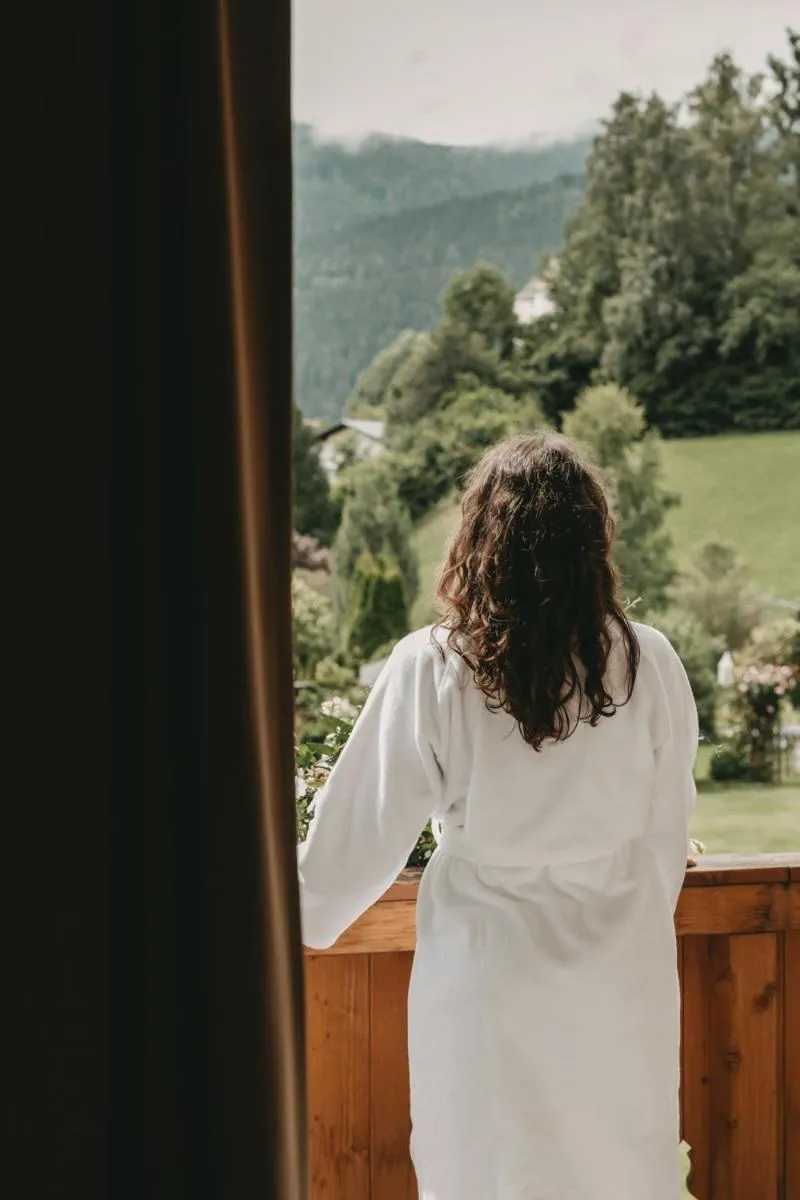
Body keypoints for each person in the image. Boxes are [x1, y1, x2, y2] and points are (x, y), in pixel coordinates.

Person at [298, 433, 698, 1200]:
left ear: (481, 538)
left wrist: (293, 912)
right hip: (618, 977)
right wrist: (630, 927)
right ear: (593, 540)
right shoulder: (649, 661)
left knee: (488, 1171)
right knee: (615, 1172)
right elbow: (663, 834)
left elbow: (356, 838)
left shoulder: (434, 665)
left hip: (487, 974)